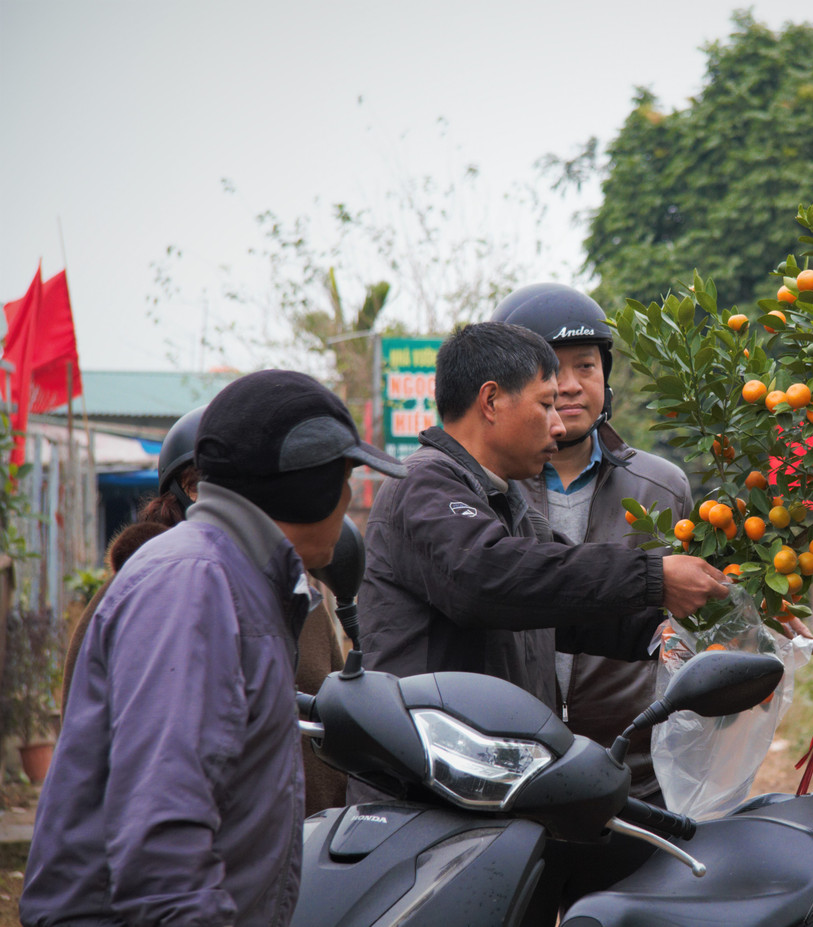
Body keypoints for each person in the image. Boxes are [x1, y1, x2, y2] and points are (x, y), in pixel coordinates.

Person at [21, 370, 407, 927]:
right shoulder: (194, 586)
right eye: (343, 478)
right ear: (307, 484)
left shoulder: (246, 580)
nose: (348, 499)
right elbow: (163, 841)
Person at [357, 319, 730, 713]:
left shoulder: (512, 507)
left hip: (502, 747)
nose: (558, 426)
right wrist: (653, 577)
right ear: (491, 401)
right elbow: (490, 576)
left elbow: (573, 608)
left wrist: (686, 628)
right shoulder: (423, 484)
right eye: (546, 404)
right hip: (429, 747)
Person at [59, 404, 351, 816]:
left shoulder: (296, 594)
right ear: (188, 490)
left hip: (303, 844)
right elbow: (154, 787)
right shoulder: (145, 594)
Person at [495, 283, 692, 800]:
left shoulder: (662, 486)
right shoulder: (489, 490)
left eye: (585, 366)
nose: (569, 386)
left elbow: (684, 621)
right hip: (511, 763)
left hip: (633, 769)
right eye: (548, 370)